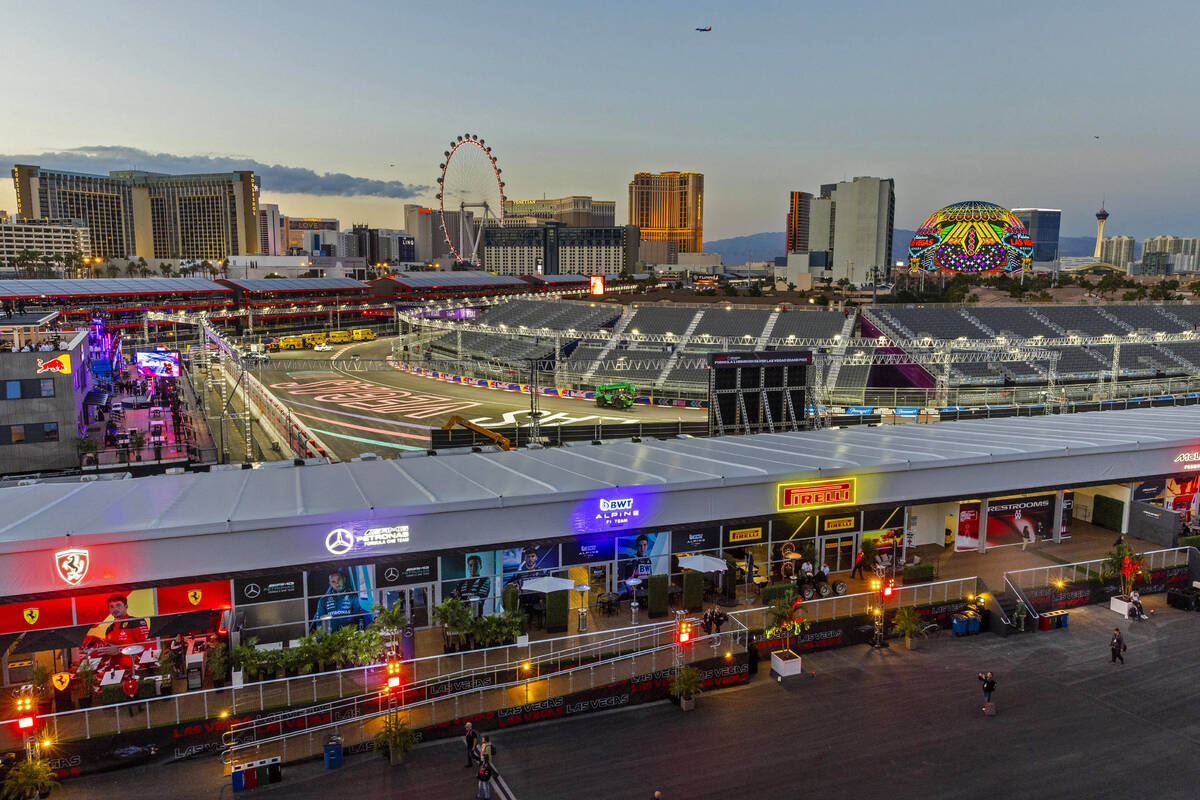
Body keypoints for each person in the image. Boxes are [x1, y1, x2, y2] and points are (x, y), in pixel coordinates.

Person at [81, 593, 149, 672]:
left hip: (135, 668)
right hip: (116, 671)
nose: (115, 609)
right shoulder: (109, 629)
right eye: (111, 606)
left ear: (126, 607)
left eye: (118, 605)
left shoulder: (136, 622)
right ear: (109, 610)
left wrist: (119, 650)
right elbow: (109, 651)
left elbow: (145, 647)